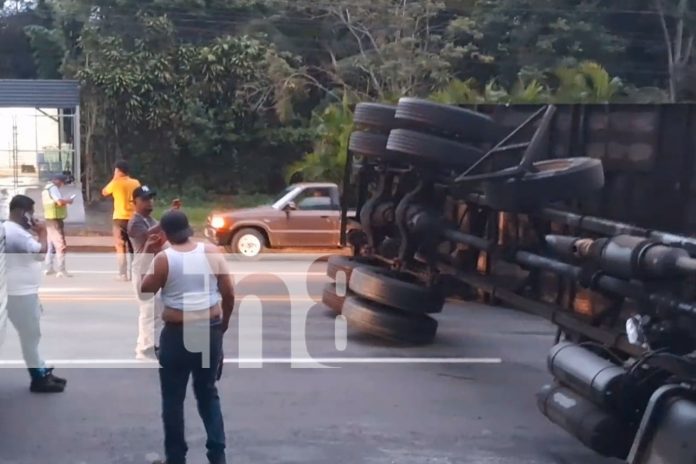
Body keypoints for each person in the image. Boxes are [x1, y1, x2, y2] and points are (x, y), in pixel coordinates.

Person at [141, 210, 234, 464]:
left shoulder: (163, 259)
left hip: (177, 334)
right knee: (207, 393)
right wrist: (222, 326)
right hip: (209, 329)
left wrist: (147, 253)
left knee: (173, 399)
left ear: (165, 234)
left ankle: (175, 458)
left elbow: (143, 289)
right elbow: (229, 293)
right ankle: (217, 455)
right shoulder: (212, 253)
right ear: (188, 229)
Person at [2, 195, 66, 393]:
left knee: (32, 336)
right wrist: (42, 232)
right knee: (30, 336)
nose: (33, 216)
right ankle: (38, 377)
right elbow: (40, 253)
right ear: (22, 212)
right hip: (20, 294)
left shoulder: (15, 230)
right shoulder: (16, 233)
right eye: (31, 211)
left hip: (22, 291)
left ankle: (41, 370)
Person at [127, 185, 163, 360]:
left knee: (154, 309)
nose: (150, 202)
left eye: (151, 198)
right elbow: (146, 237)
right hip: (142, 267)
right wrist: (165, 222)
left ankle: (148, 344)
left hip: (152, 266)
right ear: (135, 202)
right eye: (145, 199)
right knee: (148, 309)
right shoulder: (135, 222)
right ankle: (145, 349)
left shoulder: (150, 219)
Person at [102, 160, 141, 281]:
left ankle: (122, 274)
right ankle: (135, 273)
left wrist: (114, 178)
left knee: (120, 247)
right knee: (134, 247)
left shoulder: (116, 183)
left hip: (119, 218)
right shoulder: (135, 182)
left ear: (118, 171)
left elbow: (104, 192)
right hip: (134, 218)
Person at [42, 173, 74, 277]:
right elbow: (59, 202)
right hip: (55, 220)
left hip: (49, 219)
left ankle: (49, 268)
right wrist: (68, 201)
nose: (62, 185)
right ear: (57, 180)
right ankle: (61, 270)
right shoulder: (53, 188)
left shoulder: (45, 189)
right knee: (61, 245)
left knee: (51, 245)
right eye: (62, 182)